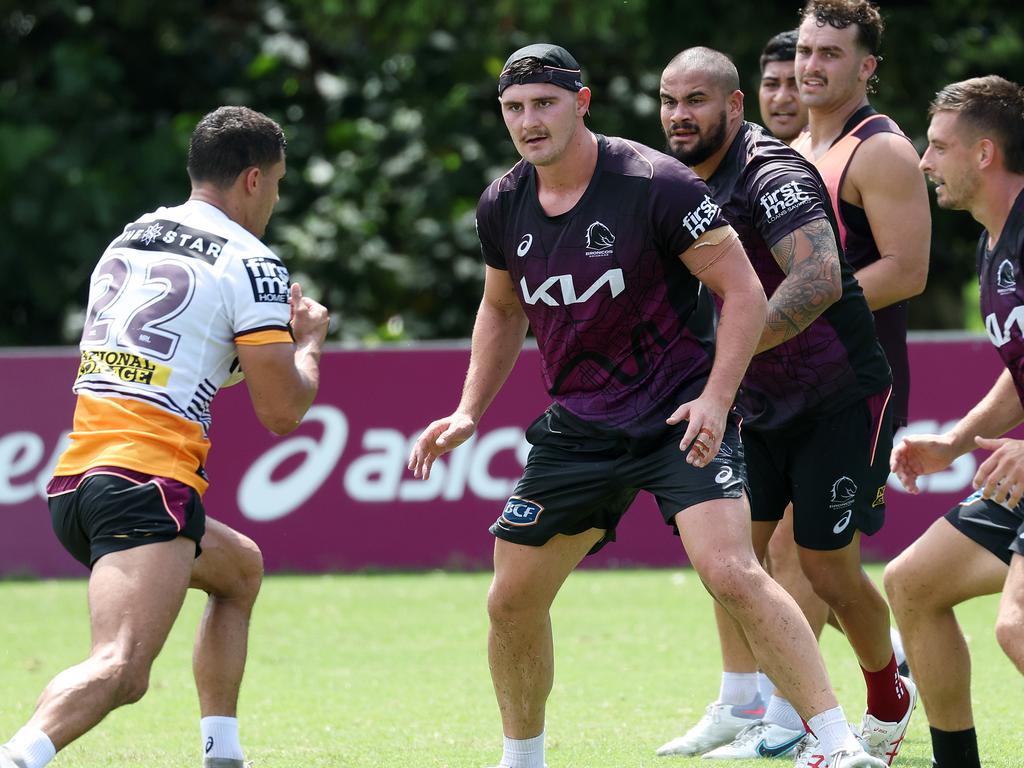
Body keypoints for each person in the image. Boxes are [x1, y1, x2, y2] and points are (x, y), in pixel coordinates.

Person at [408, 43, 886, 768]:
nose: (530, 121)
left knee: (730, 569)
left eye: (545, 104)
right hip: (581, 425)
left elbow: (745, 292)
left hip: (677, 413)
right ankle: (522, 758)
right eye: (515, 108)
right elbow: (501, 310)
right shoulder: (503, 203)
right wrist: (470, 408)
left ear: (582, 103)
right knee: (509, 598)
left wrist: (716, 400)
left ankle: (837, 741)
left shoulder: (655, 183)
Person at [0, 106, 329, 768]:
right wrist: (309, 344)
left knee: (239, 570)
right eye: (279, 184)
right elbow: (283, 412)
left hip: (81, 479)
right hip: (145, 483)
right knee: (121, 668)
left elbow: (180, 359)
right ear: (254, 179)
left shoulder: (131, 237)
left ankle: (223, 754)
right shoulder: (252, 262)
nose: (274, 200)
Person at [653, 47, 914, 767]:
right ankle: (751, 707)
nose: (680, 115)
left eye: (697, 100)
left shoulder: (771, 172)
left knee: (824, 568)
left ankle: (887, 695)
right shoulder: (673, 182)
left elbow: (822, 276)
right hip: (754, 401)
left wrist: (721, 367)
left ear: (734, 108)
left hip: (840, 395)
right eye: (670, 101)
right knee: (727, 557)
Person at [886, 75, 1024, 768]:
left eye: (937, 146)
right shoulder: (994, 244)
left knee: (1018, 628)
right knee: (912, 584)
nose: (923, 161)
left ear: (984, 154)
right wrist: (958, 440)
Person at [758, 30, 809, 144]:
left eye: (795, 84)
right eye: (771, 84)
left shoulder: (849, 156)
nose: (781, 98)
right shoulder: (744, 158)